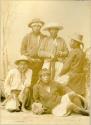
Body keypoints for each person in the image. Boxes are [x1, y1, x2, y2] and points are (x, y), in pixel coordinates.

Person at [21, 18, 46, 85]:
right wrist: (30, 58)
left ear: (40, 27)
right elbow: (22, 50)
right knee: (30, 80)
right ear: (32, 27)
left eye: (38, 26)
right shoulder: (27, 37)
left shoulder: (44, 37)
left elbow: (47, 50)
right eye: (34, 26)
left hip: (41, 62)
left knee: (41, 79)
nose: (36, 28)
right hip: (30, 62)